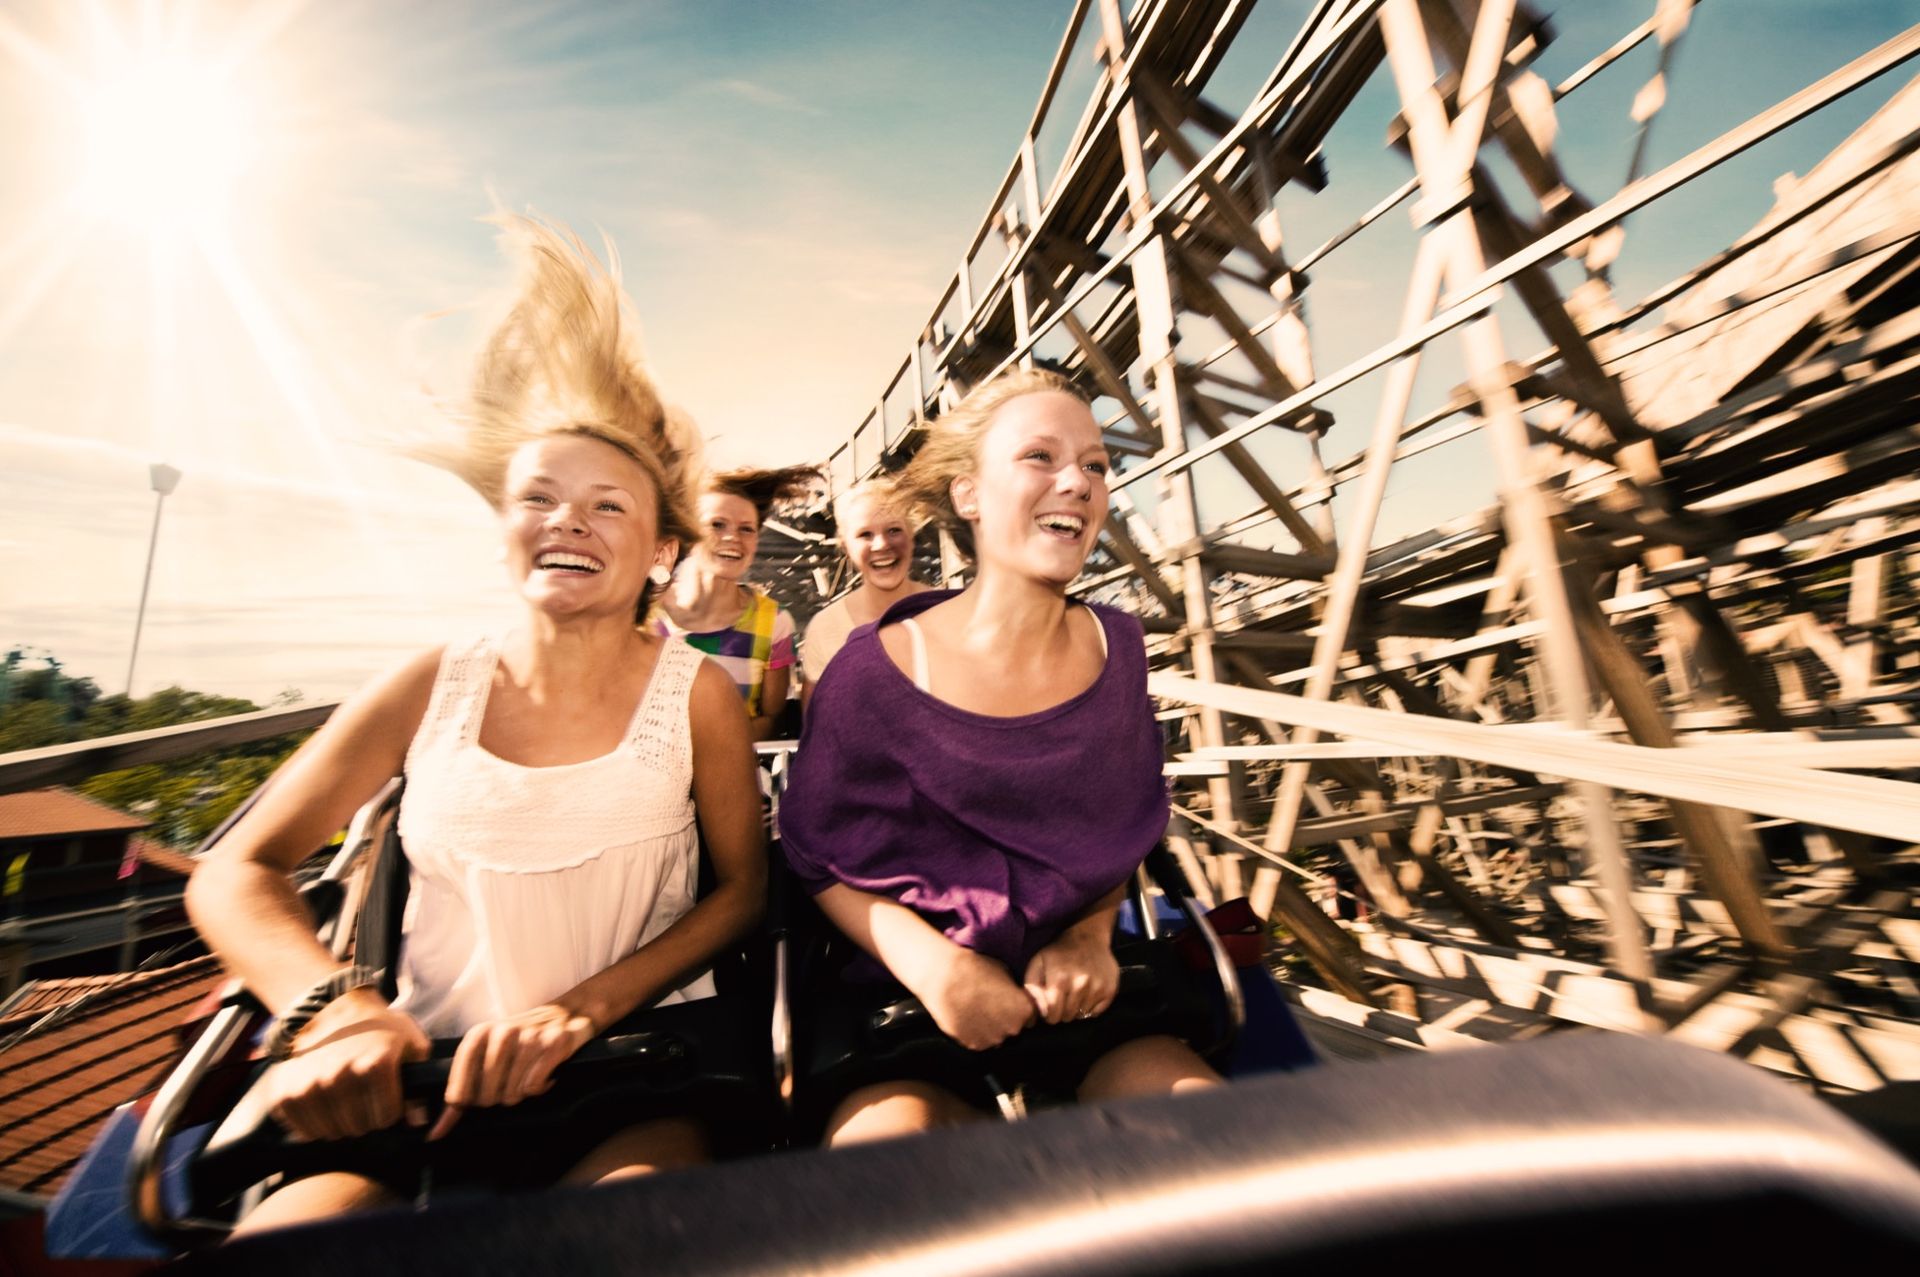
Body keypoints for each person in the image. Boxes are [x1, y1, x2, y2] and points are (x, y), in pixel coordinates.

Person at [184, 215, 766, 1232]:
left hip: (626, 1066)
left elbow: (743, 892)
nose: (568, 520)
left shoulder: (696, 692)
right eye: (537, 496)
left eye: (607, 505)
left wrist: (581, 1010)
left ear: (662, 553)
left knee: (631, 1245)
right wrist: (331, 1009)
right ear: (503, 530)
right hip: (418, 1071)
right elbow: (235, 869)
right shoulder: (428, 682)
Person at [779, 368, 1219, 1147]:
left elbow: (1124, 821)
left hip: (1077, 992)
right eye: (1040, 457)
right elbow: (814, 855)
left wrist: (1087, 936)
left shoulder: (1119, 649)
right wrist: (934, 967)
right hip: (906, 1001)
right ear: (969, 494)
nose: (1077, 482)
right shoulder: (868, 673)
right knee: (889, 1198)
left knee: (1224, 1151)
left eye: (1096, 464)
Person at [653, 464, 821, 740]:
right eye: (717, 525)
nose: (733, 538)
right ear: (689, 530)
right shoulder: (647, 613)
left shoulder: (774, 624)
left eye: (747, 529)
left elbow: (770, 719)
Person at [798, 480, 929, 710]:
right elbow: (819, 728)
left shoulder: (950, 610)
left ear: (911, 536)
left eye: (894, 530)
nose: (881, 544)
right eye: (865, 534)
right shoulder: (825, 628)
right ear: (845, 547)